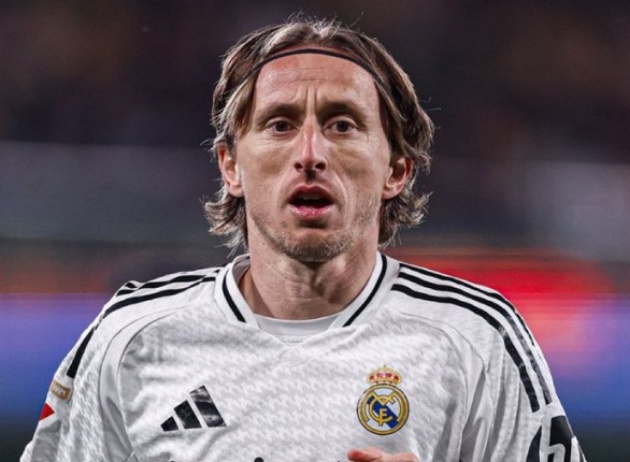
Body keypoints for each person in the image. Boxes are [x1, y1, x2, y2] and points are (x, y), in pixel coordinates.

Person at [21, 17, 585, 462]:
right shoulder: (134, 337)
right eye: (280, 124)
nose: (310, 154)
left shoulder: (476, 338)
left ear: (396, 170)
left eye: (342, 124)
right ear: (231, 166)